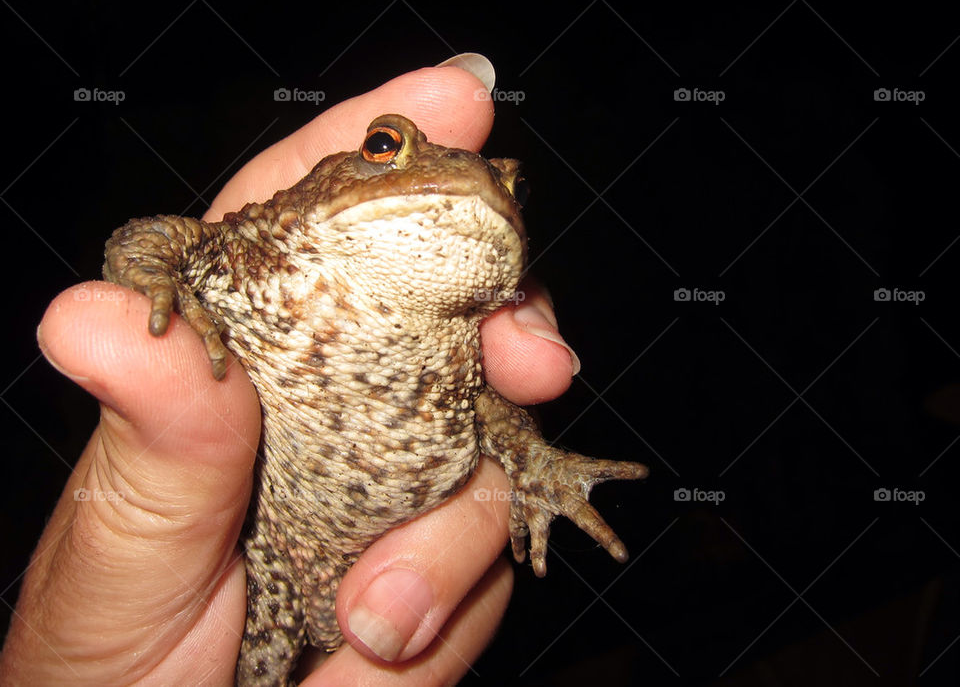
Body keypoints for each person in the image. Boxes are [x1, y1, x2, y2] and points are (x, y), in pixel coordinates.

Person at [0, 54, 580, 685]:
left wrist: (539, 467)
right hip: (265, 556)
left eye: (512, 189)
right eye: (388, 146)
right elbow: (149, 240)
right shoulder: (263, 256)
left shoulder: (460, 335)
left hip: (375, 560)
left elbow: (493, 410)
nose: (477, 186)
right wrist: (153, 279)